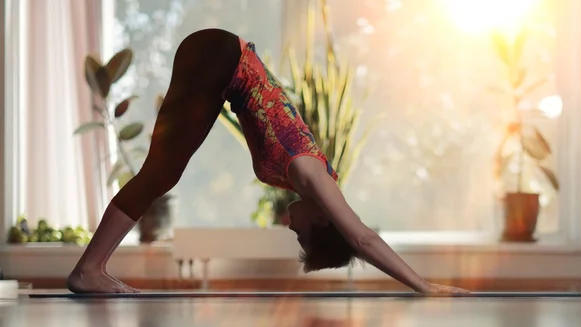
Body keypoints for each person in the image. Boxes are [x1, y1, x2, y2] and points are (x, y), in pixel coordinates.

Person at [67, 28, 469, 296]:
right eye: (302, 234)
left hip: (218, 61)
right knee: (161, 174)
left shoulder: (305, 181)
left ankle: (92, 268)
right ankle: (89, 269)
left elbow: (355, 241)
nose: (291, 228)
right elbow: (362, 238)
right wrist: (424, 285)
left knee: (161, 173)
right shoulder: (313, 177)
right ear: (321, 219)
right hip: (219, 56)